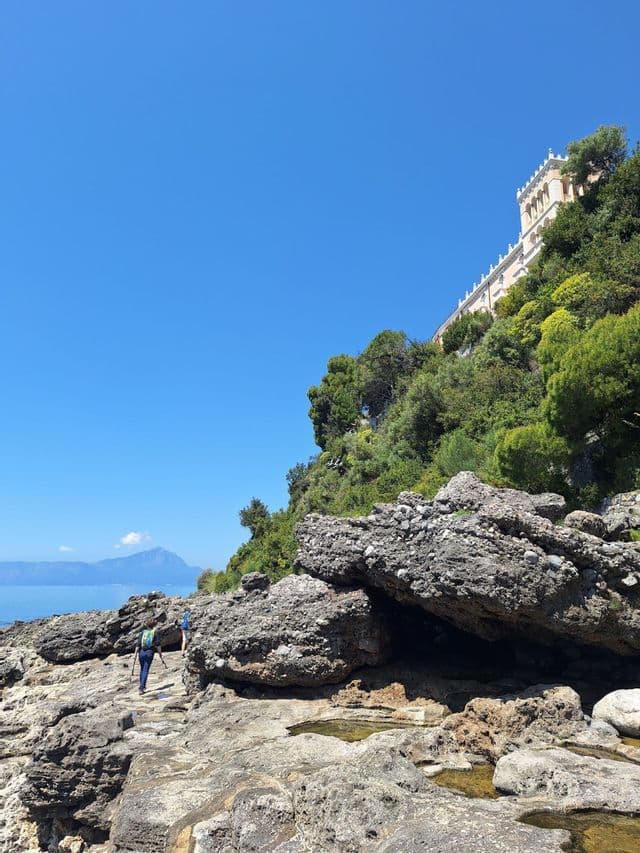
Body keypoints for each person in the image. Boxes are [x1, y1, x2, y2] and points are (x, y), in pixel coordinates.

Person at [135, 616, 161, 694]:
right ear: (154, 625)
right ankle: (142, 687)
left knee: (142, 669)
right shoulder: (155, 632)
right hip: (149, 652)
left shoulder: (143, 632)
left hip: (141, 652)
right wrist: (160, 654)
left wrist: (135, 654)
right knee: (146, 669)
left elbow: (138, 644)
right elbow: (158, 644)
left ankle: (141, 685)